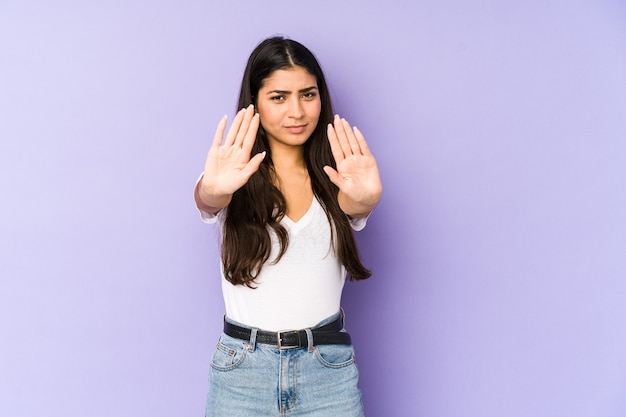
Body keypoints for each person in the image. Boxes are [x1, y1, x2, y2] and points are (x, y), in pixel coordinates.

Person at [194, 36, 382, 417]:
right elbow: (208, 199)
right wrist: (213, 189)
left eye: (307, 95)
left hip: (327, 369)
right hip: (243, 371)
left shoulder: (340, 176)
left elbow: (354, 204)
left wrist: (366, 199)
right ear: (256, 102)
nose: (296, 111)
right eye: (279, 97)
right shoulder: (231, 175)